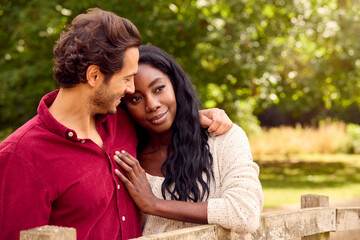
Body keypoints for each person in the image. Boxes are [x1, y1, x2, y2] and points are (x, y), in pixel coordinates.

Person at [0, 8, 231, 240]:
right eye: (126, 78)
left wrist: (196, 116)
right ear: (93, 76)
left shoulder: (122, 119)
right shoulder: (20, 156)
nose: (131, 89)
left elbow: (159, 114)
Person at [114, 45, 264, 235]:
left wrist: (154, 204)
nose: (152, 104)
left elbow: (245, 215)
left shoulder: (224, 139)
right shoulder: (128, 157)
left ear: (175, 85)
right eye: (135, 99)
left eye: (159, 88)